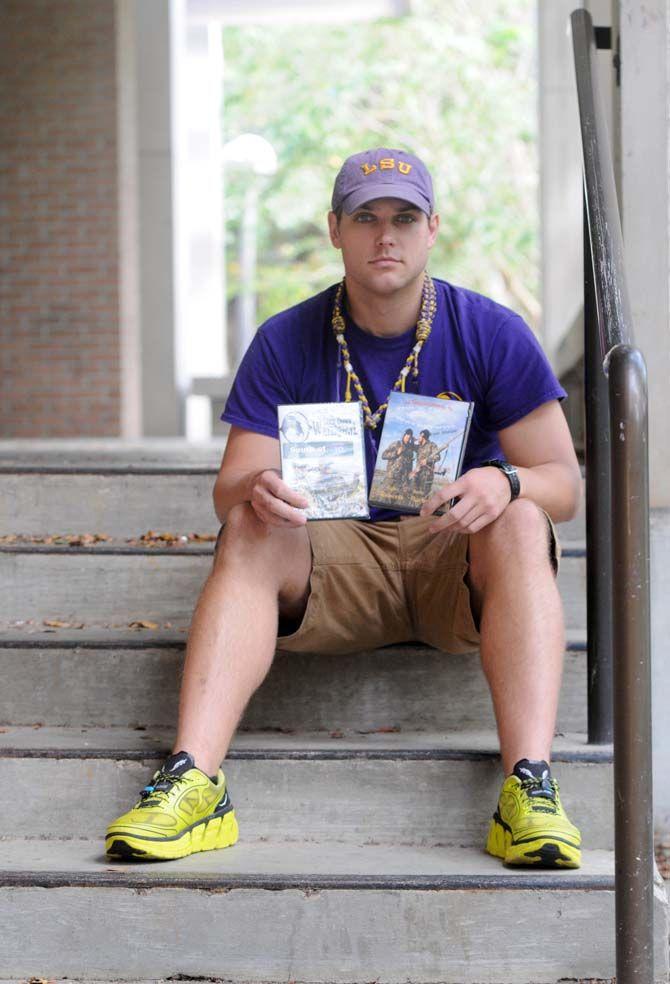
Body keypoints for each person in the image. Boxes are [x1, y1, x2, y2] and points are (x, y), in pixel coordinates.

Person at [105, 147, 583, 868]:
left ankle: (530, 789)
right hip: (334, 565)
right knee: (249, 522)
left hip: (451, 554)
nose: (384, 235)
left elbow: (564, 485)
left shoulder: (490, 330)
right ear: (335, 229)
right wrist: (257, 490)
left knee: (521, 516)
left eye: (403, 217)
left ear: (432, 229)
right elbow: (232, 483)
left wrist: (504, 482)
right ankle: (195, 780)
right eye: (365, 217)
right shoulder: (285, 337)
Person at [381, 428, 416, 494]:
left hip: (403, 480)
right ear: (403, 435)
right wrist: (396, 453)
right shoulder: (396, 443)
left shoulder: (410, 448)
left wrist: (410, 474)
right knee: (387, 497)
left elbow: (410, 462)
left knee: (396, 499)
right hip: (392, 478)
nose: (408, 438)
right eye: (407, 436)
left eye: (410, 437)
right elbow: (383, 455)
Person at [411, 428, 441, 499]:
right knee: (415, 497)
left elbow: (438, 457)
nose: (418, 438)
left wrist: (427, 460)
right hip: (417, 474)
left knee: (423, 498)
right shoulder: (419, 447)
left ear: (423, 436)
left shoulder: (432, 445)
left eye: (419, 436)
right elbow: (411, 447)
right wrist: (413, 440)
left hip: (427, 476)